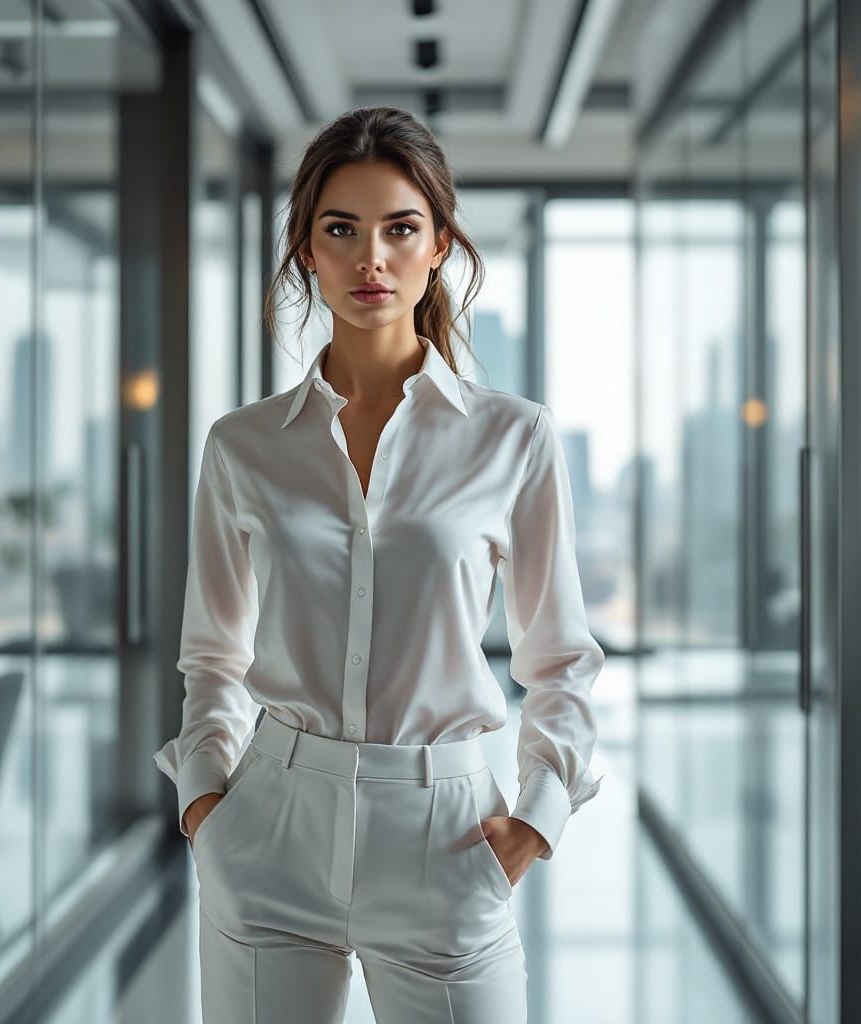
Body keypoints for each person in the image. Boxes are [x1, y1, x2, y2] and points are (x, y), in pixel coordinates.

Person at [153, 105, 605, 1023]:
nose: (372, 259)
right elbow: (212, 657)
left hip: (446, 838)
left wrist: (538, 821)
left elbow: (558, 657)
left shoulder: (511, 439)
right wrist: (208, 804)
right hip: (269, 831)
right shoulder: (243, 447)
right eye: (341, 230)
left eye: (401, 228)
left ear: (439, 245)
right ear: (306, 252)